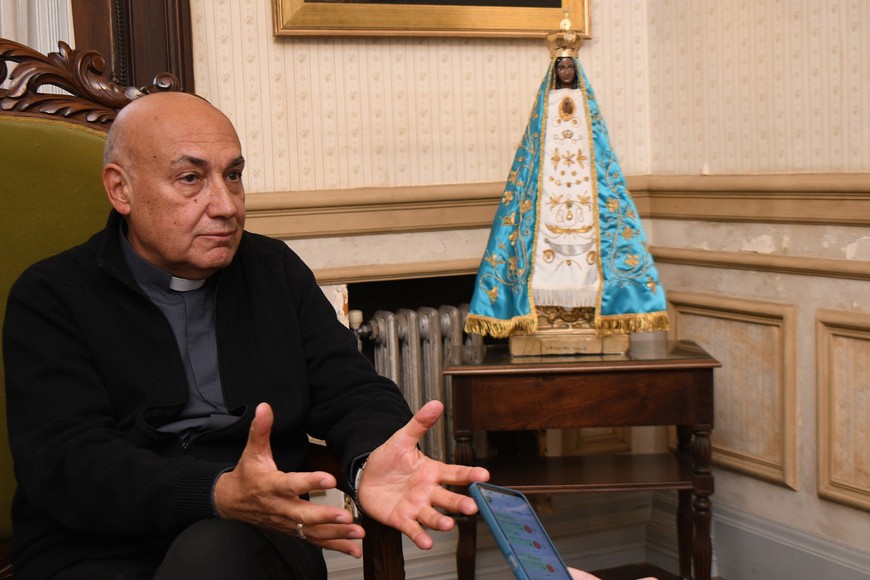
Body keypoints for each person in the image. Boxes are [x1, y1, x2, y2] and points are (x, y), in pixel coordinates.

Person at [2, 91, 490, 579]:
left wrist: (370, 459)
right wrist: (216, 491)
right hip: (97, 548)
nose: (225, 205)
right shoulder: (52, 295)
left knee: (217, 554)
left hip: (253, 540)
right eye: (191, 178)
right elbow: (66, 460)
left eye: (233, 175)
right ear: (121, 189)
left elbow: (352, 389)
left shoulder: (273, 270)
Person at [465, 40, 668, 341]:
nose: (566, 71)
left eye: (570, 67)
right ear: (554, 71)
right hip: (549, 195)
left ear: (576, 70)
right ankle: (543, 315)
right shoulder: (546, 106)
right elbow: (535, 151)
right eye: (561, 67)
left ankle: (591, 312)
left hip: (584, 193)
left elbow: (598, 149)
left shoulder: (586, 104)